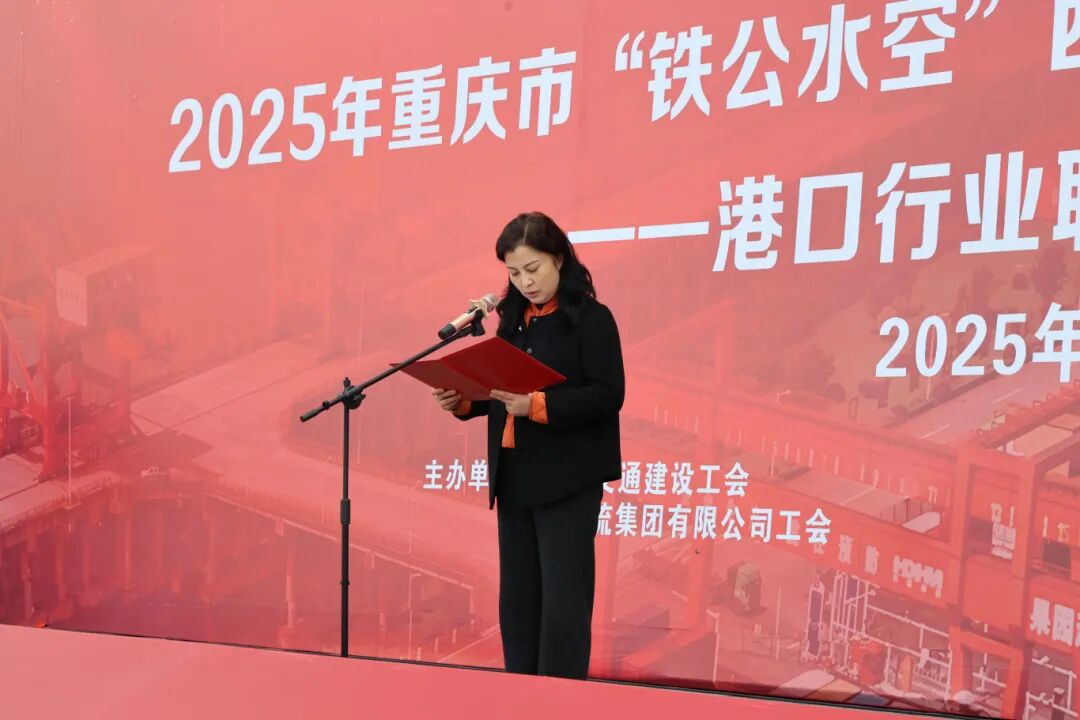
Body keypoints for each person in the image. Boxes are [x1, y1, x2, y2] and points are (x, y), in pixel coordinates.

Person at [432, 211, 624, 679]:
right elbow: (502, 390)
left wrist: (537, 405)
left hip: (567, 480)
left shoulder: (592, 320)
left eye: (533, 269)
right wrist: (464, 402)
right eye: (515, 273)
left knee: (563, 605)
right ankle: (519, 693)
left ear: (558, 258)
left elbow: (607, 395)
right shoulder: (513, 320)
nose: (525, 282)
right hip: (516, 476)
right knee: (518, 602)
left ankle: (559, 700)